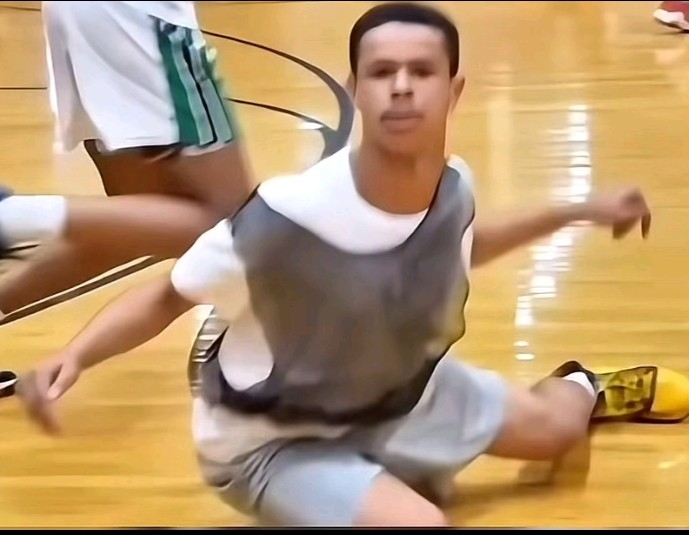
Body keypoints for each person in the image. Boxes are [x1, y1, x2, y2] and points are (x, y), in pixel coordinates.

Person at [14, 2, 652, 527]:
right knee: (419, 523)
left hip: (397, 389)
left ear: (454, 90)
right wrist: (76, 354)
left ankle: (584, 384)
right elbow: (168, 295)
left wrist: (576, 209)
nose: (401, 86)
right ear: (356, 89)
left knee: (556, 432)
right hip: (276, 440)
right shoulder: (288, 215)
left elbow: (461, 242)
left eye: (421, 71)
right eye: (382, 72)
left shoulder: (454, 186)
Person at [0, 1, 254, 320]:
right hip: (138, 19)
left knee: (140, 226)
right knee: (230, 228)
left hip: (94, 15)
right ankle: (8, 214)